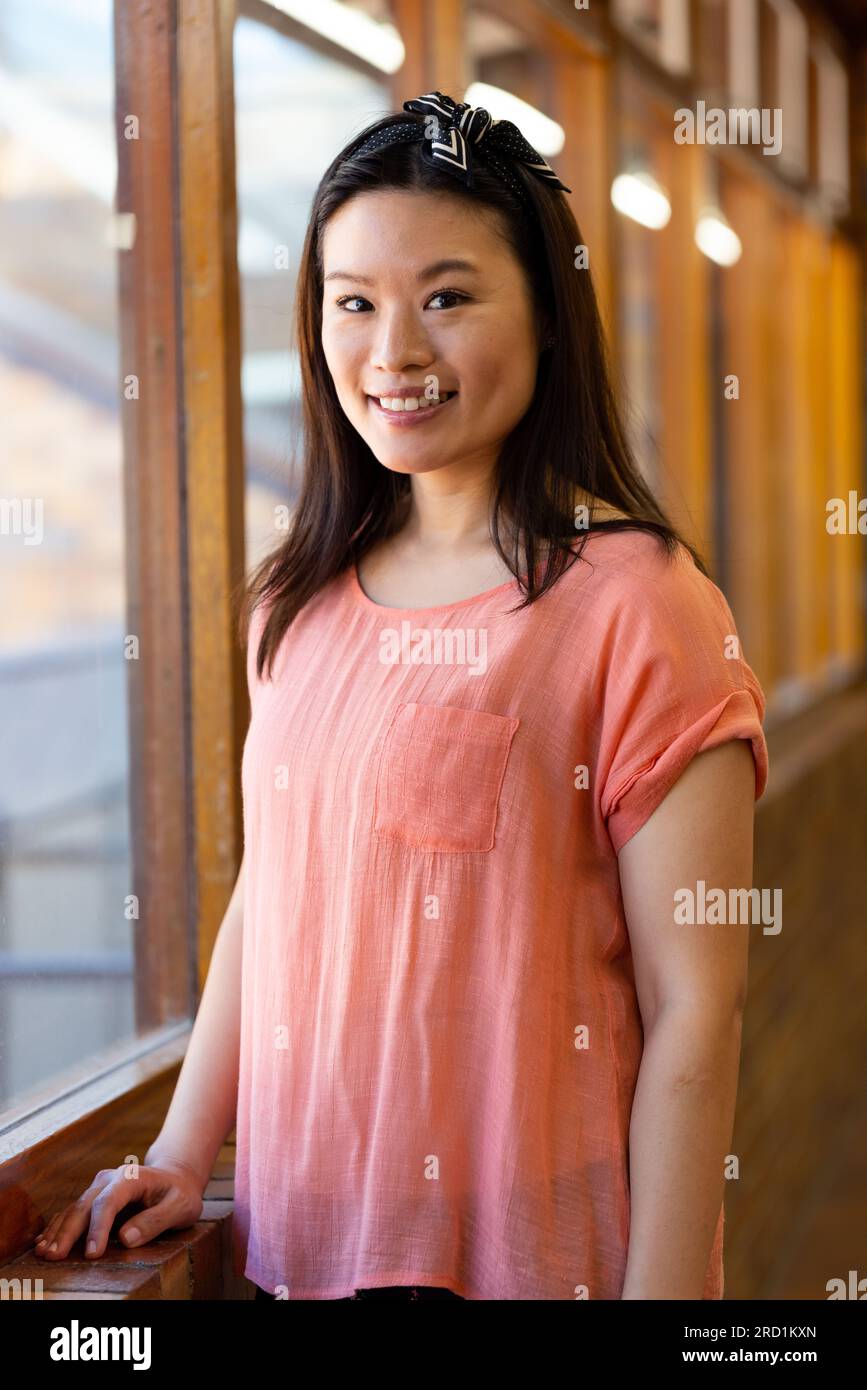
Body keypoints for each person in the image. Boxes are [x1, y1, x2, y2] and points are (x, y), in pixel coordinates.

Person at [35, 91, 768, 1301]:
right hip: (294, 1251)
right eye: (354, 303)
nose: (395, 353)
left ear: (546, 315)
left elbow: (697, 1008)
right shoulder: (296, 602)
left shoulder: (638, 601)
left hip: (533, 1258)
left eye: (447, 296)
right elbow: (273, 896)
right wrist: (180, 1148)